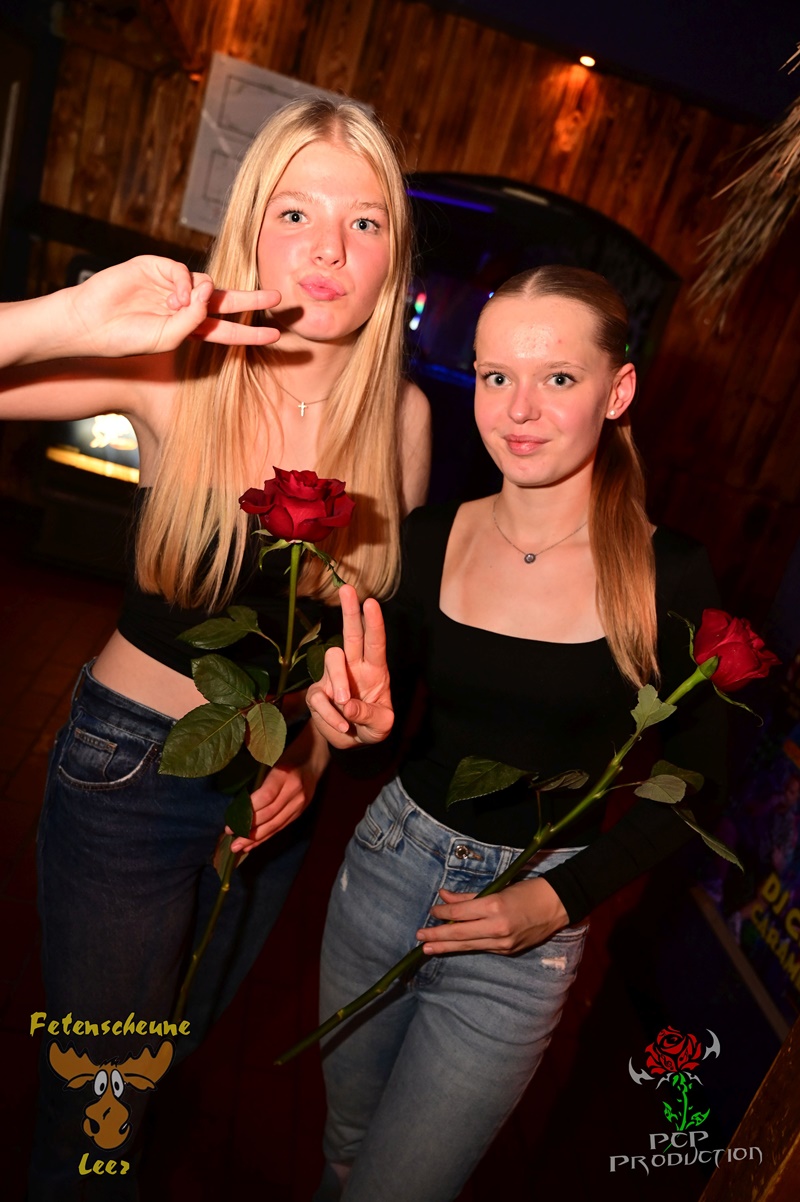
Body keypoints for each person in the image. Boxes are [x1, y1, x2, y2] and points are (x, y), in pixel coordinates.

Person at [0, 97, 430, 1198]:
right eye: (295, 212)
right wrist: (63, 315)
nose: (328, 248)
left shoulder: (406, 423)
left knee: (168, 1061)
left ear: (394, 257)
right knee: (98, 1110)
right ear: (250, 231)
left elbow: (342, 652)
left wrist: (318, 752)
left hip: (269, 799)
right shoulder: (178, 371)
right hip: (128, 776)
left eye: (365, 221)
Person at [307, 265, 726, 1202]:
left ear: (618, 390)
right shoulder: (428, 538)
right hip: (385, 874)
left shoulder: (670, 575)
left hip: (528, 931)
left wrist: (560, 898)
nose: (519, 410)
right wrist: (356, 732)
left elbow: (700, 779)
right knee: (345, 1150)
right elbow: (385, 746)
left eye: (558, 377)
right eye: (496, 376)